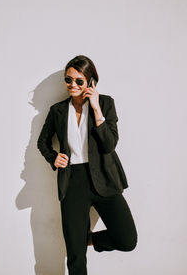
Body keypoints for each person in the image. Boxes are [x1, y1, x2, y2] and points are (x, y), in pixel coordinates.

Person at [37, 55, 138, 275]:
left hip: (105, 179)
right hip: (72, 182)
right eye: (68, 79)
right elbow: (42, 142)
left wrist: (96, 108)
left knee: (127, 238)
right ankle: (79, 241)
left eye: (79, 81)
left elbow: (109, 144)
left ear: (91, 82)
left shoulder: (105, 103)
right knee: (75, 257)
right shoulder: (58, 111)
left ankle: (88, 239)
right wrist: (53, 156)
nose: (72, 85)